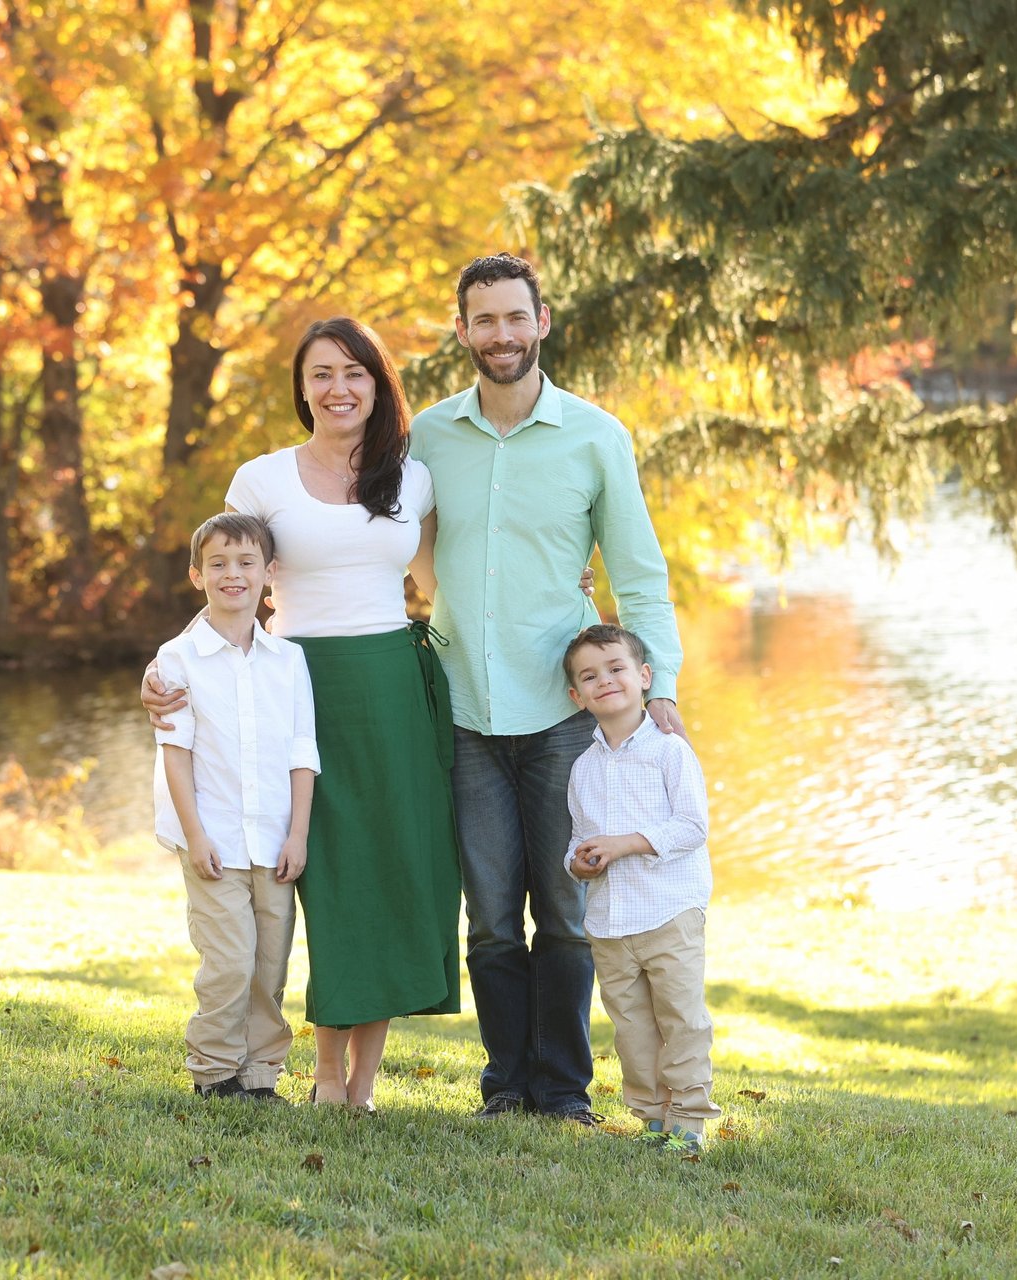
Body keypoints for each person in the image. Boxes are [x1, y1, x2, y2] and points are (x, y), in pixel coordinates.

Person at [151, 317, 463, 1111]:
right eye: (321, 373)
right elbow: (230, 585)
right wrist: (164, 670)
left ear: (377, 384)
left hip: (392, 683)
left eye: (355, 372)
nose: (339, 388)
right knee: (324, 881)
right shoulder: (261, 480)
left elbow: (436, 584)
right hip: (293, 680)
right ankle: (313, 1073)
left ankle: (360, 1084)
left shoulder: (413, 479)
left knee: (390, 873)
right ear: (302, 388)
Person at [411, 253, 685, 1123]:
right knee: (491, 916)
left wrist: (662, 684)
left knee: (566, 912)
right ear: (462, 331)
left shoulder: (596, 436)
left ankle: (563, 1088)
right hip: (462, 711)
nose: (500, 335)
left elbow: (639, 577)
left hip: (566, 715)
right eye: (482, 320)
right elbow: (391, 539)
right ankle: (505, 1086)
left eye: (513, 318)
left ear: (543, 321)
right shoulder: (427, 435)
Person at [154, 512, 319, 1103]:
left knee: (269, 961)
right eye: (218, 564)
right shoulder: (177, 660)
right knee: (227, 959)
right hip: (214, 837)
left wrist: (298, 834)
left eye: (246, 563)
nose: (233, 574)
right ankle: (215, 1072)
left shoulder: (288, 660)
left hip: (275, 837)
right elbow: (176, 755)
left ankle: (259, 1076)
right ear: (196, 575)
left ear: (268, 574)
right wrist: (194, 836)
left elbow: (304, 751)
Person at [561, 624, 718, 1152]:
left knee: (681, 1018)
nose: (605, 680)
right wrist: (578, 864)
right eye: (590, 676)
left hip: (670, 911)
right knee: (631, 1029)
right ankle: (651, 1119)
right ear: (576, 696)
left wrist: (625, 843)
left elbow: (693, 827)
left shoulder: (670, 752)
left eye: (616, 668)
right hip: (610, 922)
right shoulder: (582, 768)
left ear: (644, 676)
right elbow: (582, 839)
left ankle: (689, 1122)